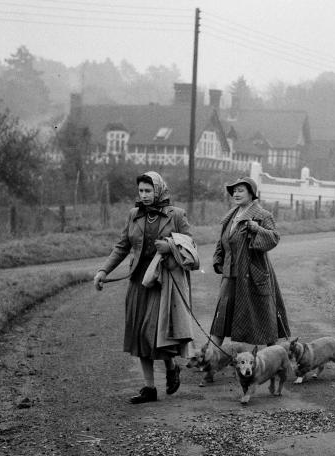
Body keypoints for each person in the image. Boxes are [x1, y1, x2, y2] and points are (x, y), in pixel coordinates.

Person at [94, 171, 200, 404]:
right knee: (139, 334)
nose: (144, 195)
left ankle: (171, 366)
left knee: (151, 331)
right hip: (138, 281)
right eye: (141, 191)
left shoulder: (177, 215)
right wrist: (103, 271)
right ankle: (149, 388)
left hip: (163, 282)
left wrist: (170, 246)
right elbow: (122, 246)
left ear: (159, 190)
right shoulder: (133, 215)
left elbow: (191, 248)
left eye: (148, 191)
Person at [209, 177, 290, 348]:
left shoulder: (262, 215)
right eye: (234, 191)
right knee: (221, 318)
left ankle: (275, 359)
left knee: (264, 319)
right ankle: (210, 357)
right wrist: (218, 260)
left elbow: (274, 238)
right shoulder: (231, 216)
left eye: (240, 190)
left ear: (251, 194)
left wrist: (257, 229)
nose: (236, 194)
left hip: (254, 275)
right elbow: (223, 241)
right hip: (230, 275)